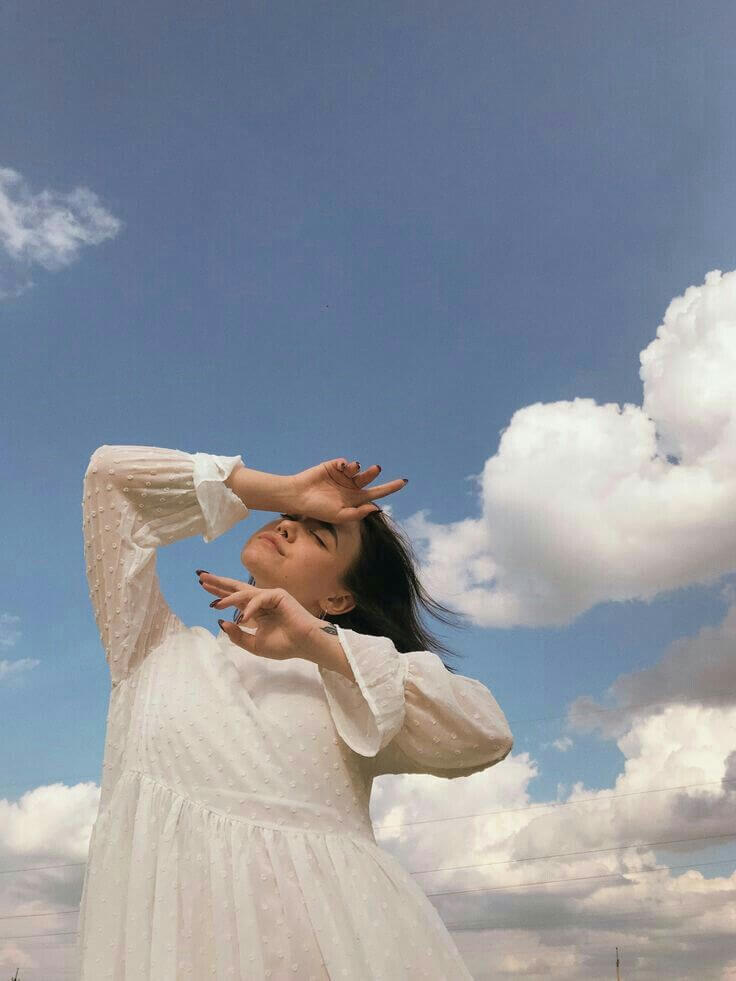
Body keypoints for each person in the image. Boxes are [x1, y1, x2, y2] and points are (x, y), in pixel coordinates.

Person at [76, 444, 513, 980]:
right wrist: (285, 491)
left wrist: (320, 645)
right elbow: (109, 479)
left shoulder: (358, 686)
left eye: (318, 532)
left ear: (339, 600)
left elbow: (487, 734)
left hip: (339, 952)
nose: (285, 525)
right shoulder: (149, 646)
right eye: (289, 518)